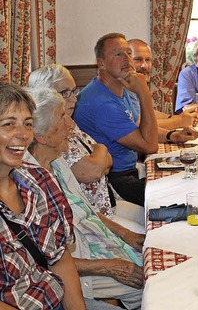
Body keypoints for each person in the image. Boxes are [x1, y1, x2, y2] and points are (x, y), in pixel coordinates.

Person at [26, 87, 144, 309]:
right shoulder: (29, 186)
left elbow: (88, 210)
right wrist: (109, 266)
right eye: (62, 118)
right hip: (86, 266)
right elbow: (47, 259)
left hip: (104, 246)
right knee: (150, 287)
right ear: (41, 136)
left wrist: (127, 235)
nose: (71, 125)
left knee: (160, 265)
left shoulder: (57, 162)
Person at [0, 83, 86, 310]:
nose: (23, 134)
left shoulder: (37, 179)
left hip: (56, 299)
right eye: (9, 124)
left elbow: (60, 259)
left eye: (28, 124)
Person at [74, 32, 158, 207]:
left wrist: (173, 135)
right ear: (101, 63)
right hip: (114, 181)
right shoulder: (101, 103)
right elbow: (150, 145)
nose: (127, 59)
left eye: (128, 53)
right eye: (118, 54)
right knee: (175, 194)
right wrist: (143, 92)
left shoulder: (117, 88)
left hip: (130, 171)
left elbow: (140, 128)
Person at [29, 64, 115, 218]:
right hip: (87, 219)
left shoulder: (70, 124)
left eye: (74, 91)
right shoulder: (49, 136)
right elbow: (92, 171)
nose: (74, 98)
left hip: (102, 212)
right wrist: (100, 149)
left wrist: (99, 157)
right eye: (65, 93)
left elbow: (108, 162)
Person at [128, 39, 198, 144]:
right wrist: (179, 121)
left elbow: (145, 114)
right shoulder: (119, 89)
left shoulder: (132, 86)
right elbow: (139, 124)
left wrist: (176, 118)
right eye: (137, 60)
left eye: (148, 60)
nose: (144, 66)